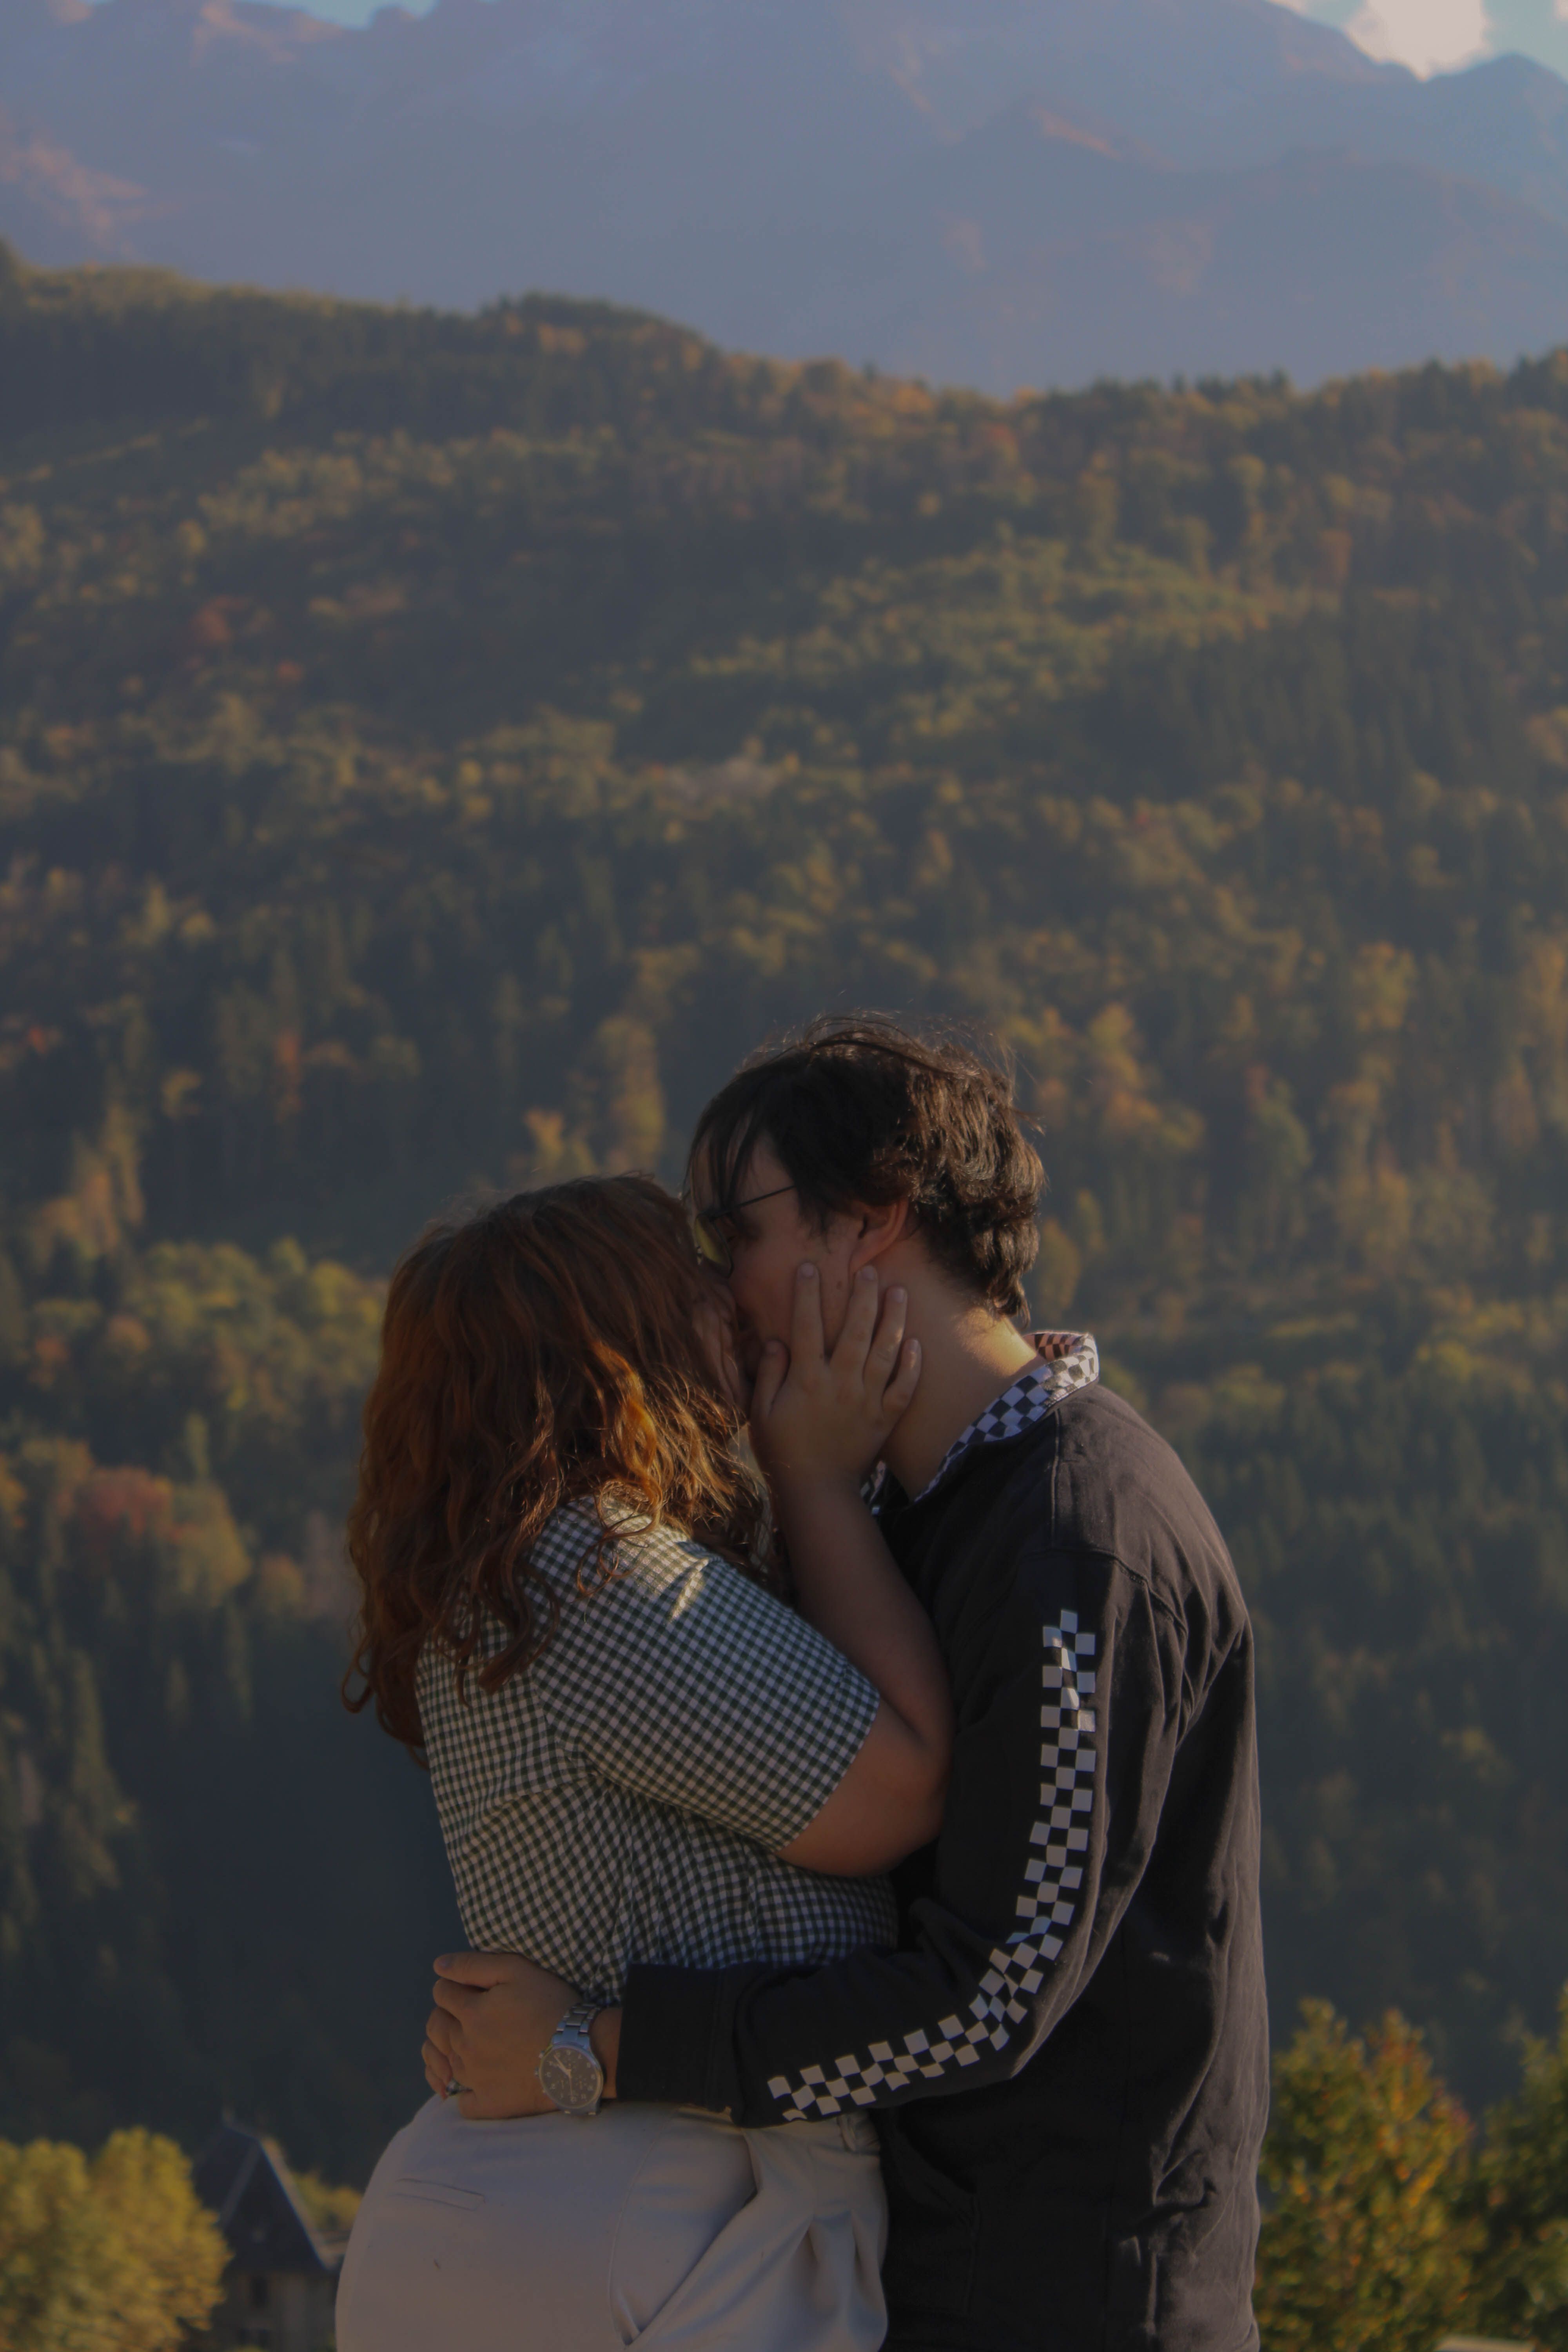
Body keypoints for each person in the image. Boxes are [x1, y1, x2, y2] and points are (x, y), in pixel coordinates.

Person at [426, 1017, 1270, 2352]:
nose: (714, 1283)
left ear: (872, 1218)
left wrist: (600, 2046)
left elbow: (989, 1999)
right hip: (938, 2283)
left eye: (735, 1231)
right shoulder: (915, 1512)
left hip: (1068, 2305)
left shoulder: (1077, 1538)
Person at [335, 1171, 954, 2352]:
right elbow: (904, 1785)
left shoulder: (493, 1595)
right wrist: (819, 1477)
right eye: (694, 1289)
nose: (733, 1308)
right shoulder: (599, 1572)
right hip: (667, 2215)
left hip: (495, 2199)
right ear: (629, 1351)